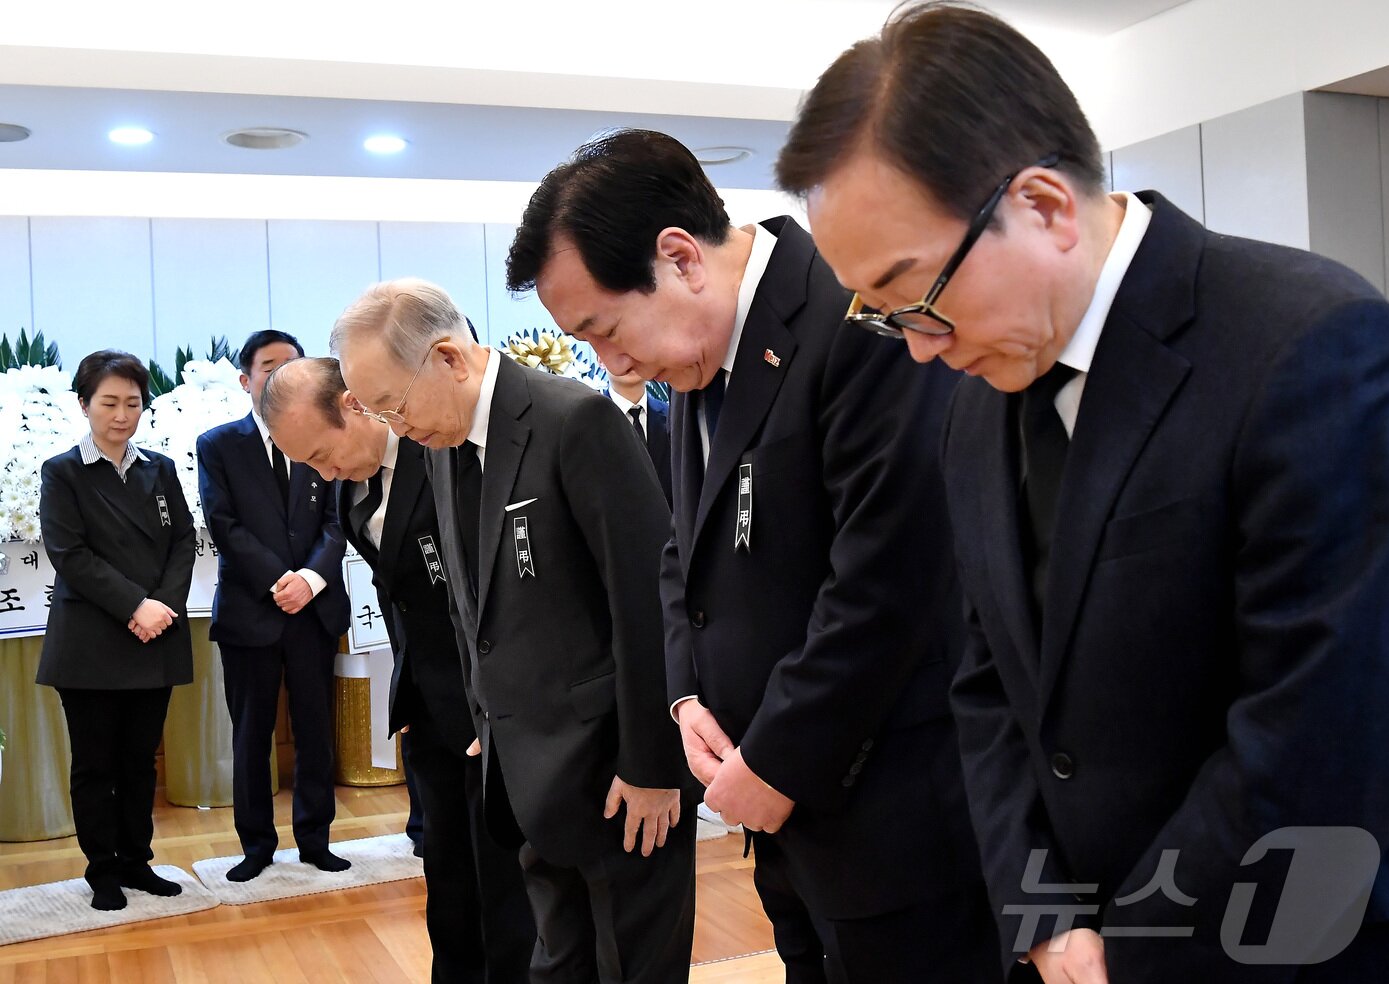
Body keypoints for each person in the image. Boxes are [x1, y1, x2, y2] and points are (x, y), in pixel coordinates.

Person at [774, 4, 1389, 983]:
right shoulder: (975, 402)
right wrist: (1042, 918)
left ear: (1043, 206)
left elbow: (1318, 730)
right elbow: (986, 684)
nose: (924, 346)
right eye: (885, 318)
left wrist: (1131, 947)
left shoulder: (1306, 346)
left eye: (919, 294)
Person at [506, 128, 998, 984]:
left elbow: (889, 581)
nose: (609, 362)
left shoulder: (855, 318)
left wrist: (777, 758)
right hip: (777, 812)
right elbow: (680, 551)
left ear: (680, 258)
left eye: (607, 328)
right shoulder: (693, 369)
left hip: (893, 814)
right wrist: (687, 692)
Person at [332, 278, 695, 984]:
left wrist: (654, 766)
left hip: (618, 775)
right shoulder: (444, 444)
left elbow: (647, 599)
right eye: (376, 413)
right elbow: (472, 603)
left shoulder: (574, 421)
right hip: (526, 771)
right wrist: (484, 710)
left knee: (633, 966)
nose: (395, 426)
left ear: (448, 359)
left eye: (394, 405)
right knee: (558, 965)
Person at [261, 356, 536, 983]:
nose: (319, 471)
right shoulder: (347, 479)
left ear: (355, 405)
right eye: (305, 463)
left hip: (485, 708)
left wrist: (490, 698)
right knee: (446, 877)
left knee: (503, 884)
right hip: (427, 704)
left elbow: (496, 594)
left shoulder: (440, 450)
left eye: (321, 453)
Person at [36, 349, 196, 911]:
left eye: (133, 403)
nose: (122, 414)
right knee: (95, 761)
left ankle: (136, 860)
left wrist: (162, 606)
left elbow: (183, 541)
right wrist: (135, 606)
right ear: (84, 404)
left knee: (139, 760)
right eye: (109, 402)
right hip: (92, 641)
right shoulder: (61, 472)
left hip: (156, 633)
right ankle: (101, 868)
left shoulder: (160, 468)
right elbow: (69, 553)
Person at [196, 330, 351, 882]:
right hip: (250, 613)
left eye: (292, 365)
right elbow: (225, 526)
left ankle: (316, 839)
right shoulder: (218, 445)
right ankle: (256, 845)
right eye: (269, 367)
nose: (281, 375)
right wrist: (278, 580)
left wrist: (309, 578)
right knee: (251, 735)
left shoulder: (325, 433)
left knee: (316, 732)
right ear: (245, 380)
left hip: (312, 611)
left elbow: (340, 518)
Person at [604, 369, 671, 508]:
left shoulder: (673, 418)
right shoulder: (589, 422)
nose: (629, 359)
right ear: (600, 359)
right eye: (619, 349)